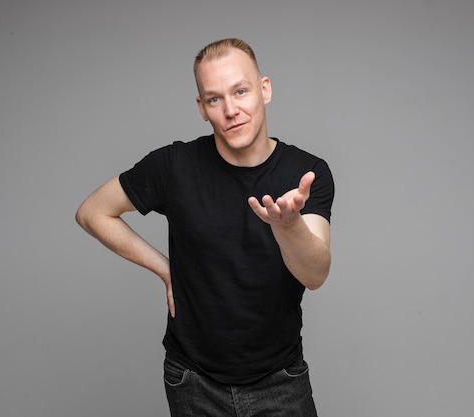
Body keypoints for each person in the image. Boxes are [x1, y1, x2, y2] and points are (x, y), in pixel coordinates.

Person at [75, 38, 334, 416]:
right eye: (215, 99)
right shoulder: (174, 166)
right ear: (202, 109)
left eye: (240, 91)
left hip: (280, 379)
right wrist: (167, 271)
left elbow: (315, 275)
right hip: (193, 381)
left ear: (265, 90)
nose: (231, 110)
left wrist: (289, 226)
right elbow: (92, 212)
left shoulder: (306, 173)